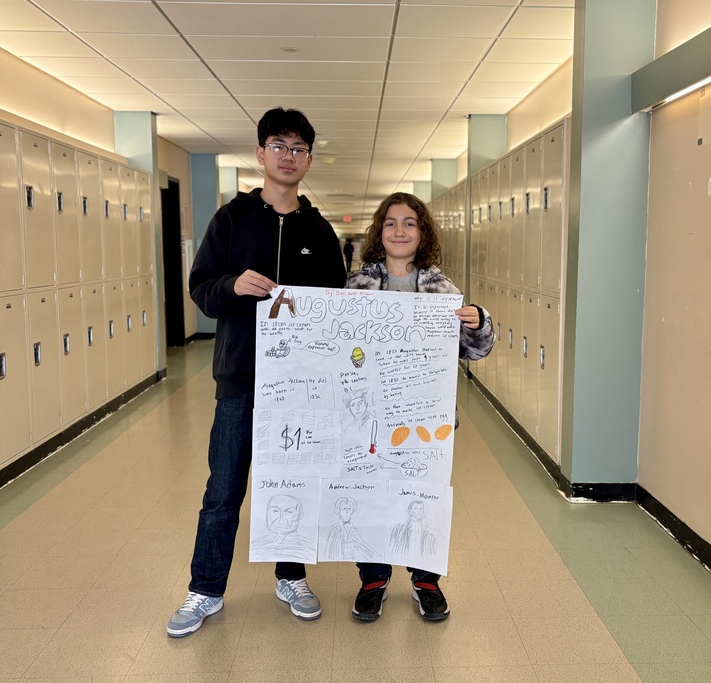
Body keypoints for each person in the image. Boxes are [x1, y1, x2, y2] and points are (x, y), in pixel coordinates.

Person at [167, 107, 347, 638]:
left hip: (303, 388)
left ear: (309, 159)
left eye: (298, 148)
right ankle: (205, 588)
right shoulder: (230, 220)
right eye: (279, 145)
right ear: (260, 153)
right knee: (224, 489)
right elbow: (200, 290)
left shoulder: (320, 230)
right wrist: (230, 288)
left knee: (294, 484)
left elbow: (336, 306)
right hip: (241, 381)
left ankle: (290, 576)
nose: (288, 156)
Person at [344, 191, 495, 622]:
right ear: (380, 232)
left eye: (410, 223)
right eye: (390, 223)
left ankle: (425, 580)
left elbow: (474, 351)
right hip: (371, 416)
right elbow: (341, 346)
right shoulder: (356, 286)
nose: (399, 231)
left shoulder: (443, 289)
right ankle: (373, 579)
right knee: (372, 495)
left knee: (423, 497)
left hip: (425, 418)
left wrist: (479, 321)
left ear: (422, 232)